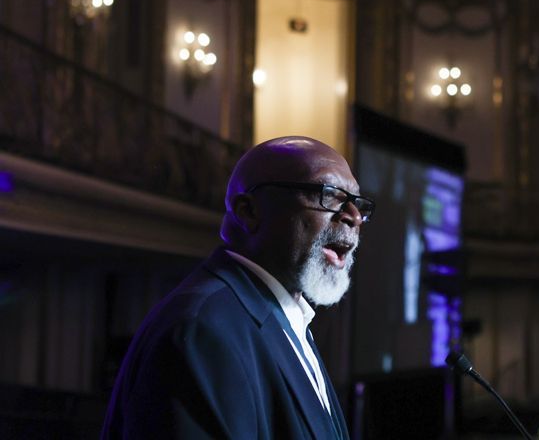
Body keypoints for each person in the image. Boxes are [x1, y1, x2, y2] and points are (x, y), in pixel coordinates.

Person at [102, 136, 375, 439]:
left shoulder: (285, 317)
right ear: (249, 211)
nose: (353, 216)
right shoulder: (203, 330)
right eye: (329, 194)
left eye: (358, 203)